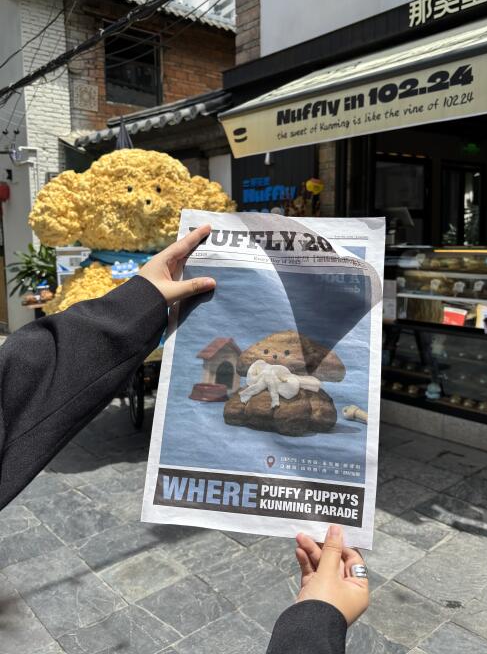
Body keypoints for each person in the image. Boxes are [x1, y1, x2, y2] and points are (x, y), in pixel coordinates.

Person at [0, 224, 368, 652]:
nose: (275, 357)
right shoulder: (252, 369)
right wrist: (317, 620)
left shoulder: (305, 373)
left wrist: (137, 301)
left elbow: (17, 385)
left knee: (304, 409)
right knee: (245, 407)